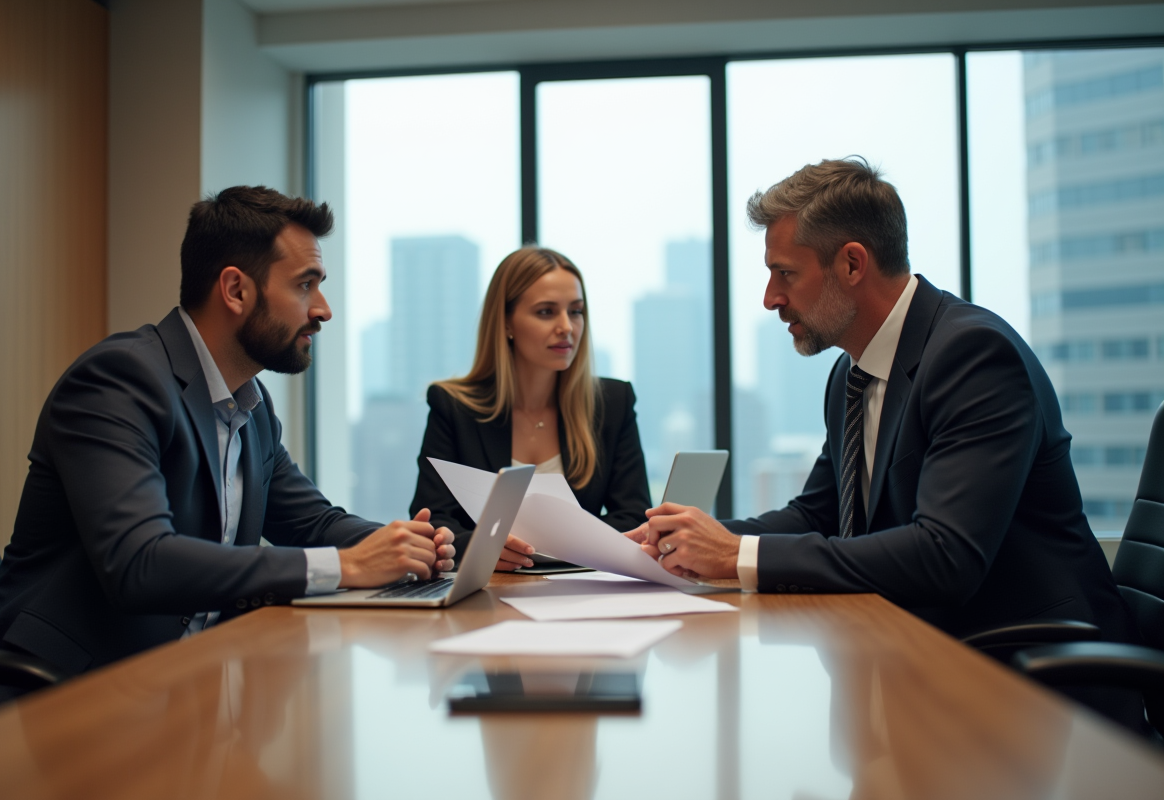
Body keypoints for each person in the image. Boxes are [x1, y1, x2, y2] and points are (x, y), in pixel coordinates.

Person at [627, 159, 1145, 729]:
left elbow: (945, 555)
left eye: (785, 274)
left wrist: (735, 556)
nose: (771, 298)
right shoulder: (852, 375)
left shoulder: (972, 356)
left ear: (851, 263)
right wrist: (700, 538)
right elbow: (818, 514)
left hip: (1032, 689)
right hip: (922, 660)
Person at [0, 186, 455, 681]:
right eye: (305, 285)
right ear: (235, 290)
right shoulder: (118, 380)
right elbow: (141, 562)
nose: (323, 309)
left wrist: (401, 545)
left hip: (177, 680)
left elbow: (312, 523)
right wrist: (347, 566)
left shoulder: (251, 404)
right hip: (51, 690)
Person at [410, 246, 651, 570]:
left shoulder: (612, 402)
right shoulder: (453, 407)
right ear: (506, 322)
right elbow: (433, 520)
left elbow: (635, 517)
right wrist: (486, 545)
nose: (567, 326)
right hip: (489, 591)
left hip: (586, 588)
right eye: (546, 312)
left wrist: (560, 547)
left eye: (576, 311)